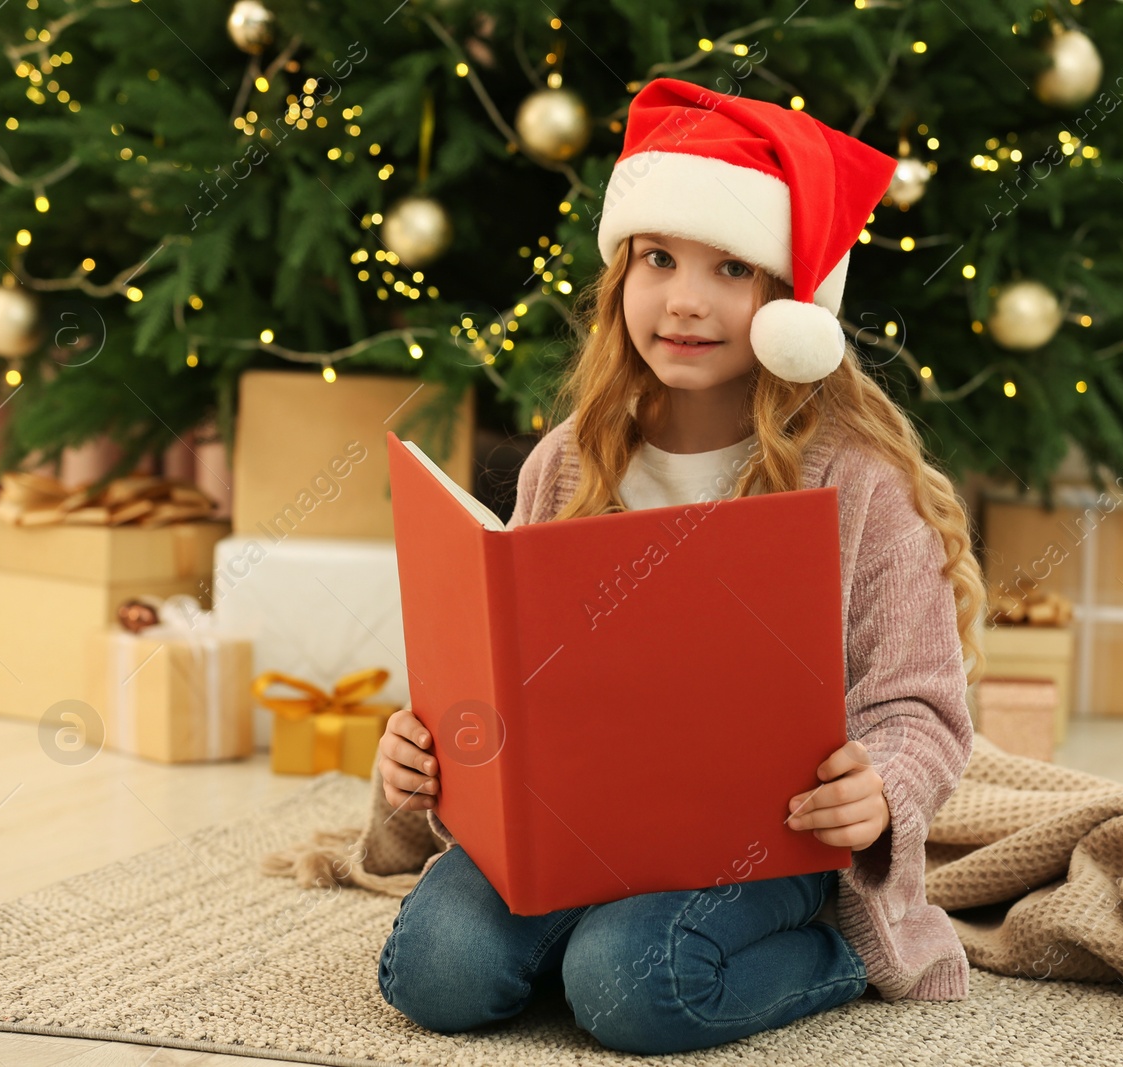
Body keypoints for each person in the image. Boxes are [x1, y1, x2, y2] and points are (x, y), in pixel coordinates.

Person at [374, 76, 984, 1055]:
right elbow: (497, 674)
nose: (685, 300)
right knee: (435, 970)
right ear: (622, 274)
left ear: (790, 303)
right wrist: (426, 751)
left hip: (756, 835)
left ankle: (836, 952)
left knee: (631, 984)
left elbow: (920, 704)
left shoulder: (858, 483)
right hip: (573, 824)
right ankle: (581, 934)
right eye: (658, 257)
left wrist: (880, 785)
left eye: (732, 268)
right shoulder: (568, 458)